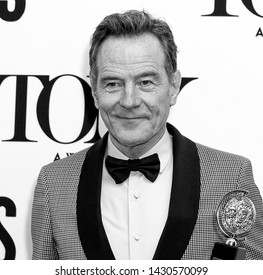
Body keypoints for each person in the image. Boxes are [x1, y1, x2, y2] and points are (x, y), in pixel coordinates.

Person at [31, 10, 263, 260]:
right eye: (113, 83)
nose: (129, 101)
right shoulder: (52, 184)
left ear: (174, 86)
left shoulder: (231, 177)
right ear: (95, 92)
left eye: (145, 82)